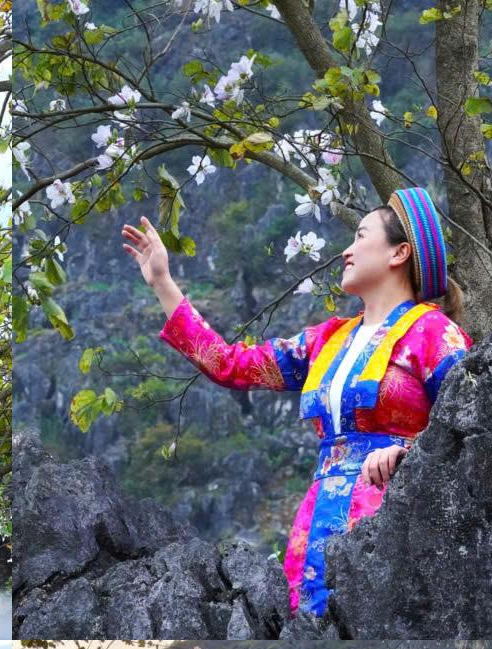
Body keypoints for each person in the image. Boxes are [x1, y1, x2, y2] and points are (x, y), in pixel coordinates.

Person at [121, 189, 472, 617]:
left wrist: (408, 452)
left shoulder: (436, 333)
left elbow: (468, 428)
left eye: (361, 236)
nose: (346, 249)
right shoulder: (326, 340)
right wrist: (162, 282)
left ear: (399, 253)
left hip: (397, 520)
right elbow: (231, 365)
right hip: (315, 522)